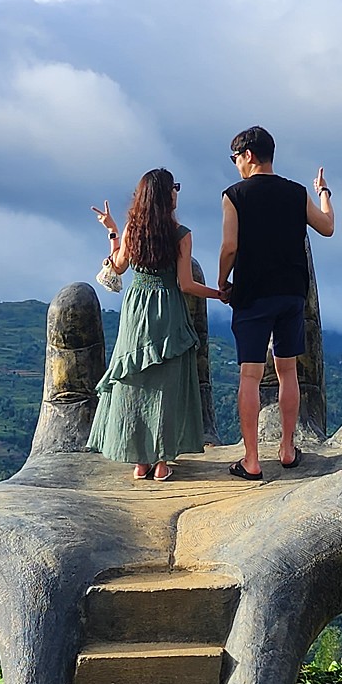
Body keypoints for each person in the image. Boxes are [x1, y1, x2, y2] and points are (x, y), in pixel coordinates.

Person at [90, 168, 224, 481]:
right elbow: (187, 284)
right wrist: (220, 294)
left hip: (136, 310)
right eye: (175, 187)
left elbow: (118, 267)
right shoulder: (181, 234)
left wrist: (112, 231)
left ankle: (139, 460)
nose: (177, 191)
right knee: (166, 385)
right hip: (169, 308)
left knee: (135, 380)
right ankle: (162, 461)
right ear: (167, 195)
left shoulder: (132, 229)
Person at [217, 126, 334, 481]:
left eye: (235, 157)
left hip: (253, 293)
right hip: (291, 293)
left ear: (249, 155)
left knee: (250, 376)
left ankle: (251, 460)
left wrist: (224, 283)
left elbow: (230, 247)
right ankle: (287, 448)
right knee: (288, 371)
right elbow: (327, 227)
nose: (236, 164)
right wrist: (324, 192)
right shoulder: (296, 193)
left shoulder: (234, 195)